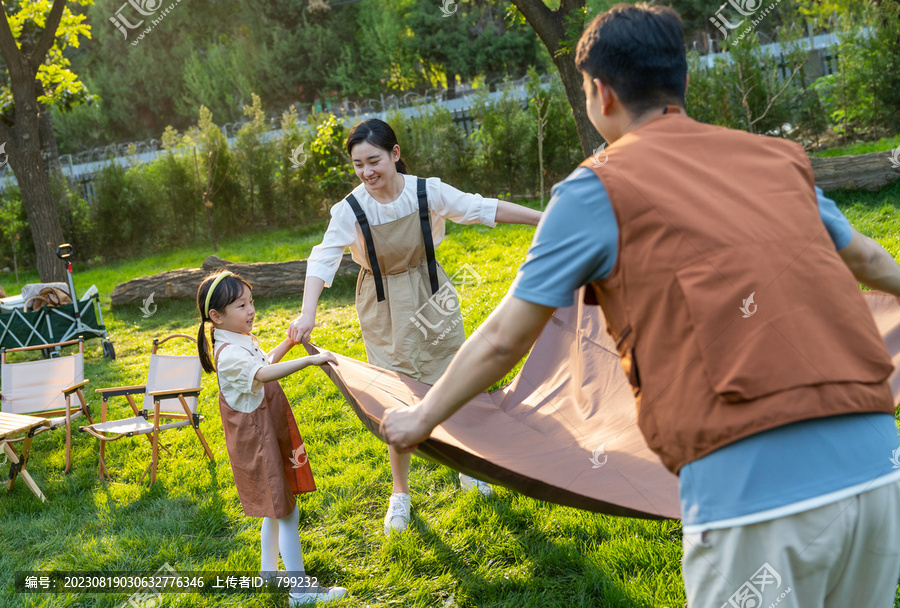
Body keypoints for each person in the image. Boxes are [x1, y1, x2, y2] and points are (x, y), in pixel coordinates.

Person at [380, 4, 900, 607]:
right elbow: (868, 262)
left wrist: (422, 418)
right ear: (680, 78)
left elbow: (504, 337)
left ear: (600, 92)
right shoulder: (773, 157)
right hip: (875, 471)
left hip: (754, 498)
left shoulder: (594, 189)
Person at [288, 118, 542, 535]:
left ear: (395, 154)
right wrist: (308, 313)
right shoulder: (350, 209)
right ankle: (400, 494)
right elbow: (323, 258)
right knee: (396, 401)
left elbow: (482, 208)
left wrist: (543, 219)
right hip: (383, 305)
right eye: (357, 165)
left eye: (373, 160)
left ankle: (468, 467)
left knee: (455, 382)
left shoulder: (427, 192)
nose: (367, 172)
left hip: (432, 291)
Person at [197, 271, 347, 606]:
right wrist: (308, 359)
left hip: (264, 434)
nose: (250, 310)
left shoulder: (237, 341)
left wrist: (289, 343)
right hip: (259, 442)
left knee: (274, 508)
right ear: (216, 316)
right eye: (241, 305)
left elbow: (263, 361)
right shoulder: (230, 354)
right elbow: (262, 373)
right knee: (286, 512)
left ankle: (269, 576)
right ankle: (299, 591)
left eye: (251, 302)